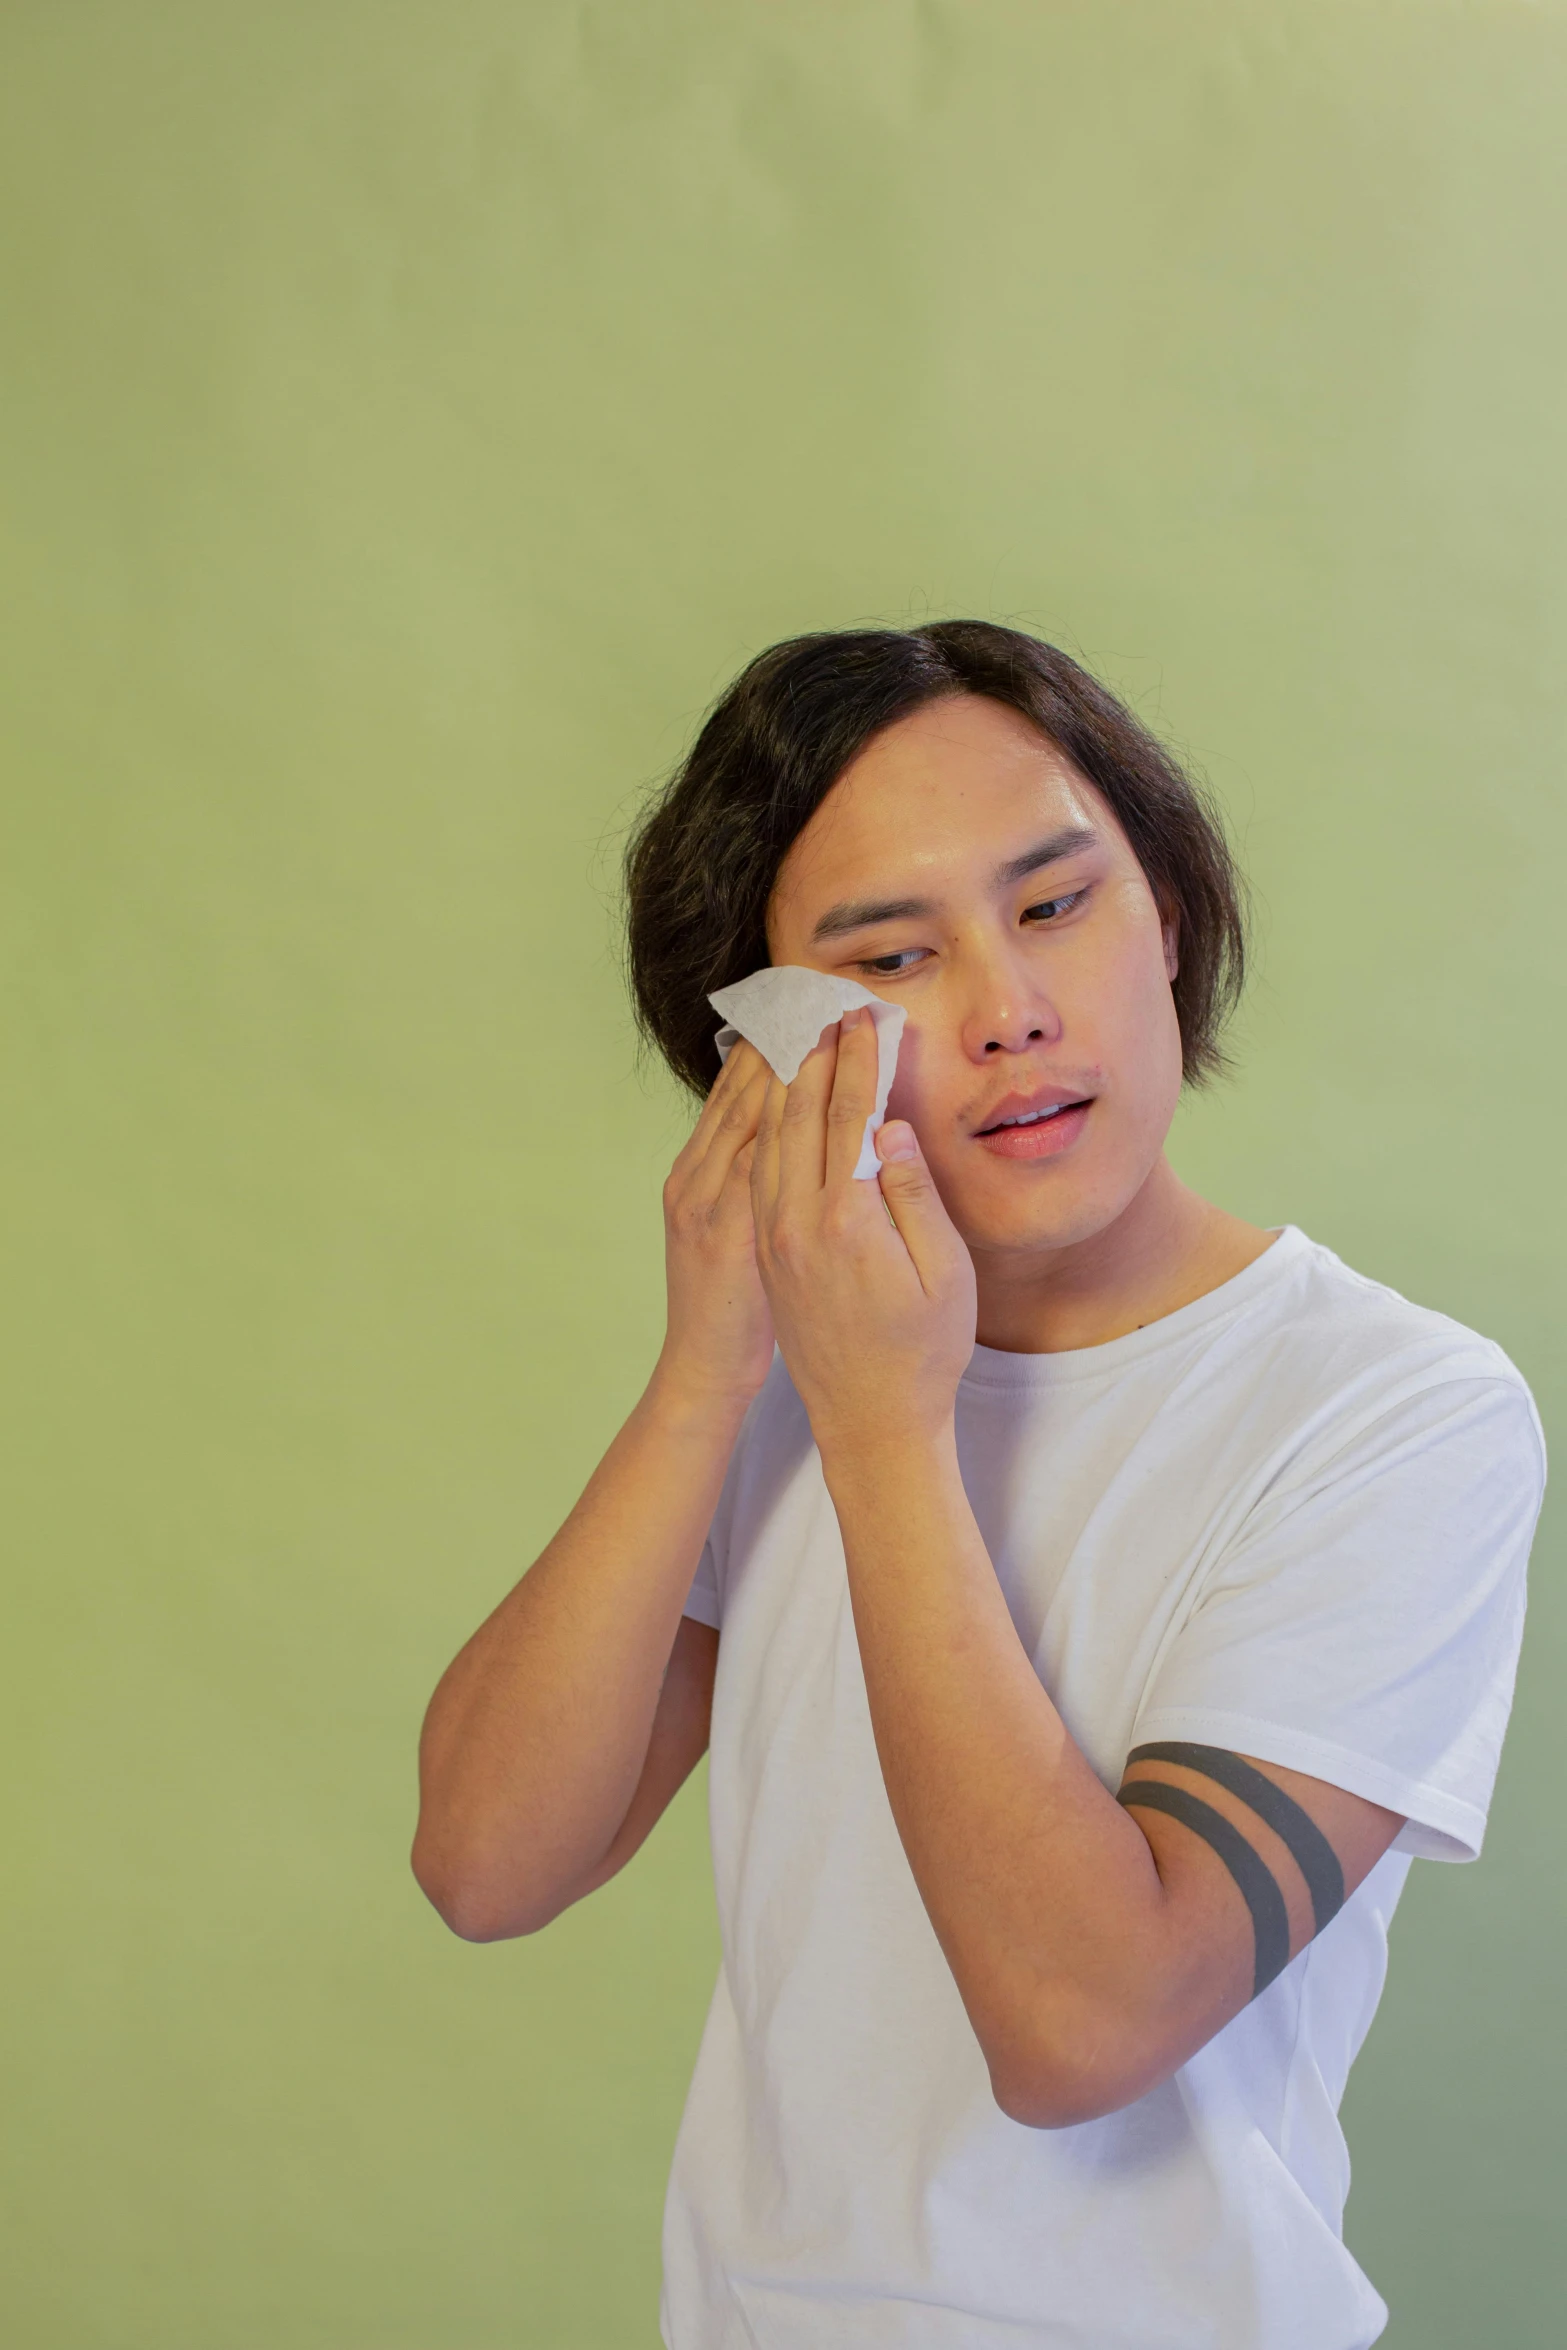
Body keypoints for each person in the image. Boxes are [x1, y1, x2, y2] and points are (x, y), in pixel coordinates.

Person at [411, 623, 1545, 2350]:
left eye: (1055, 903)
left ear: (1164, 914)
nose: (1009, 1008)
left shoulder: (1392, 1411)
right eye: (889, 953)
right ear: (768, 1052)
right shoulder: (793, 1370)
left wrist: (883, 1429)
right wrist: (709, 1367)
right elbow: (486, 1862)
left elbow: (1077, 2026)